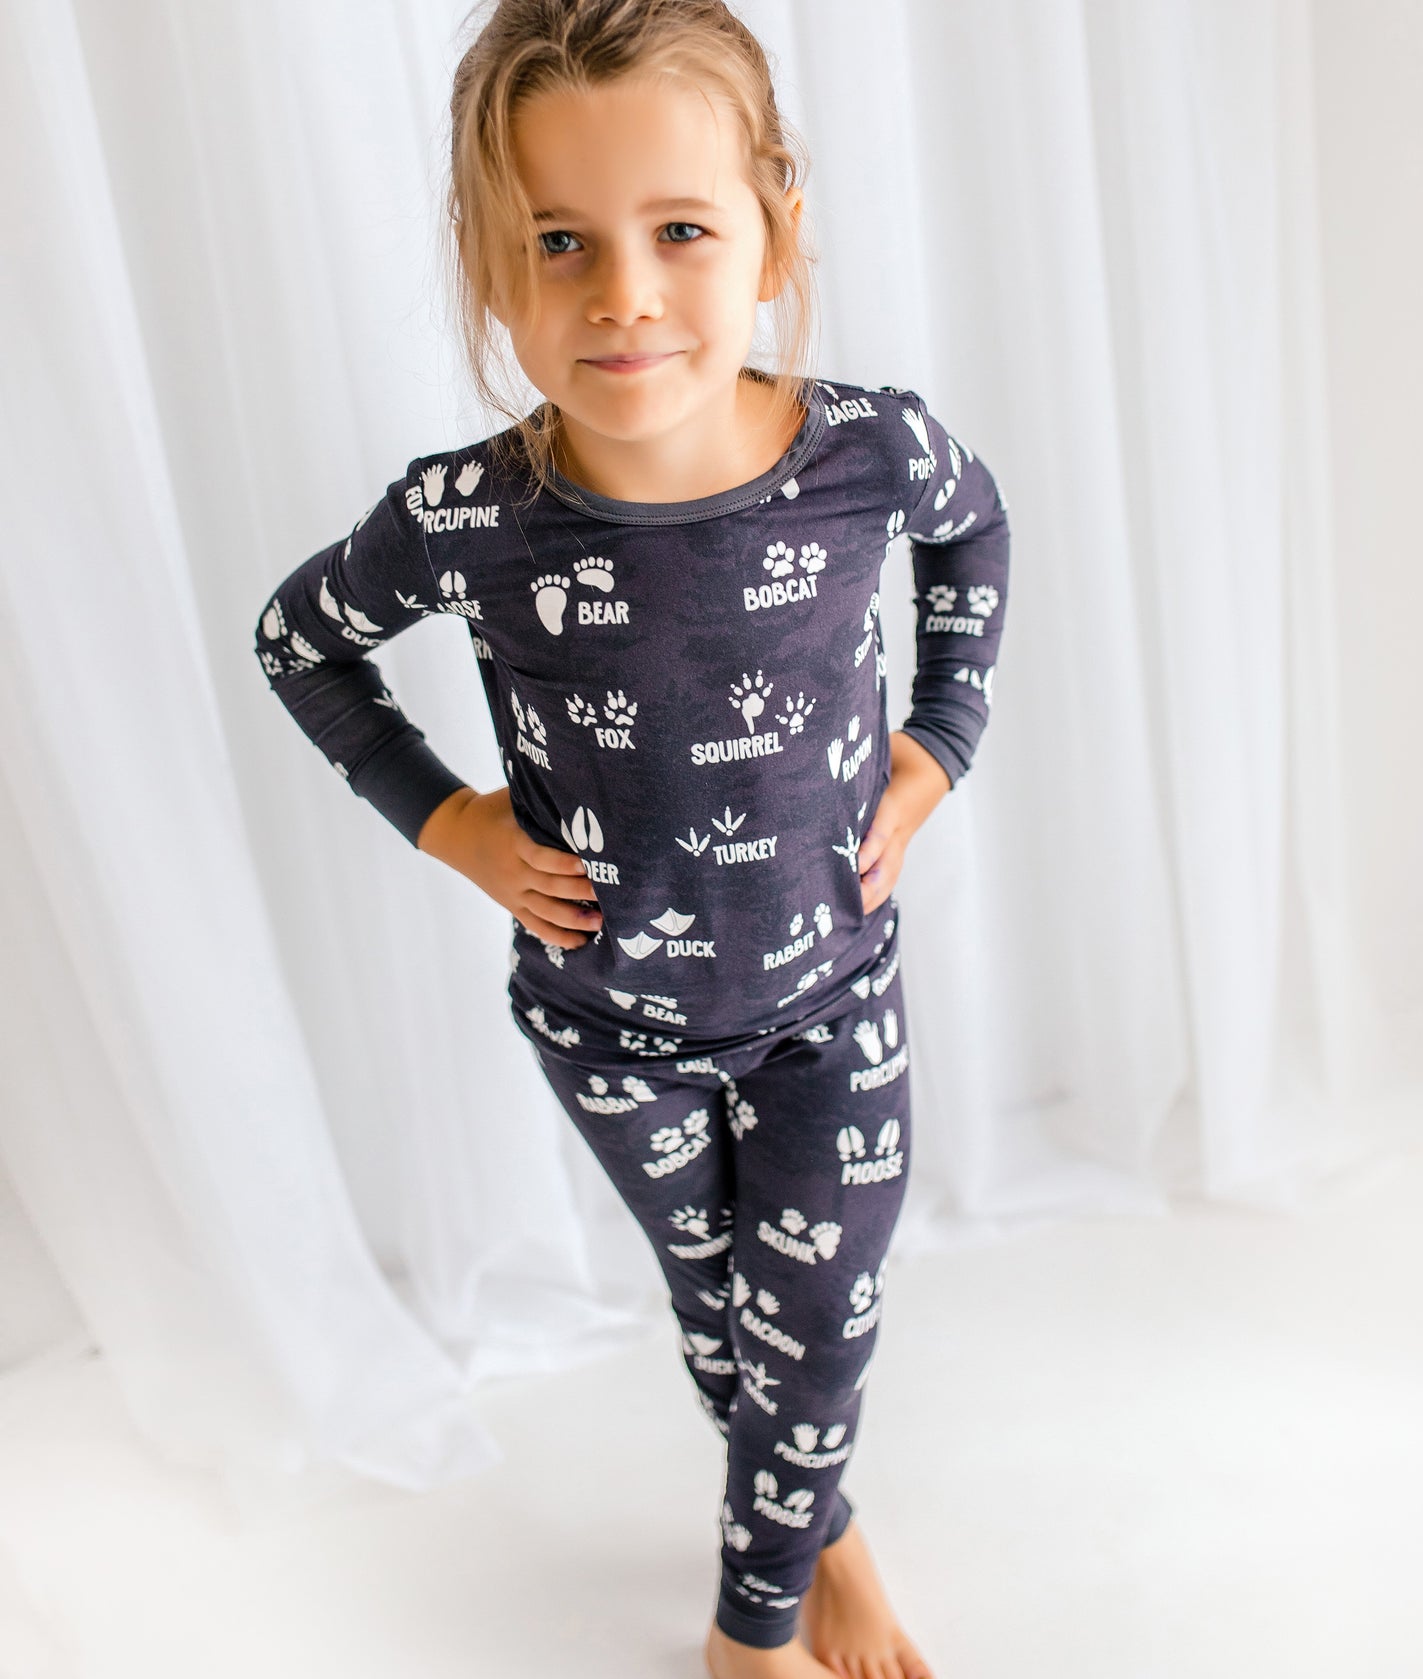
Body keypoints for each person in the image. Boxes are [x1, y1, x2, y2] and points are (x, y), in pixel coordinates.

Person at [253, 2, 1010, 1674]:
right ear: (492, 264)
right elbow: (298, 641)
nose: (624, 293)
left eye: (679, 230)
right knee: (730, 1317)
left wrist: (938, 740)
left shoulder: (865, 451)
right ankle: (833, 1534)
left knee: (814, 1323)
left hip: (828, 1000)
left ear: (772, 229)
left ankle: (753, 1629)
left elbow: (974, 536)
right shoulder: (471, 516)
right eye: (559, 241)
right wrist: (447, 819)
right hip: (608, 1024)